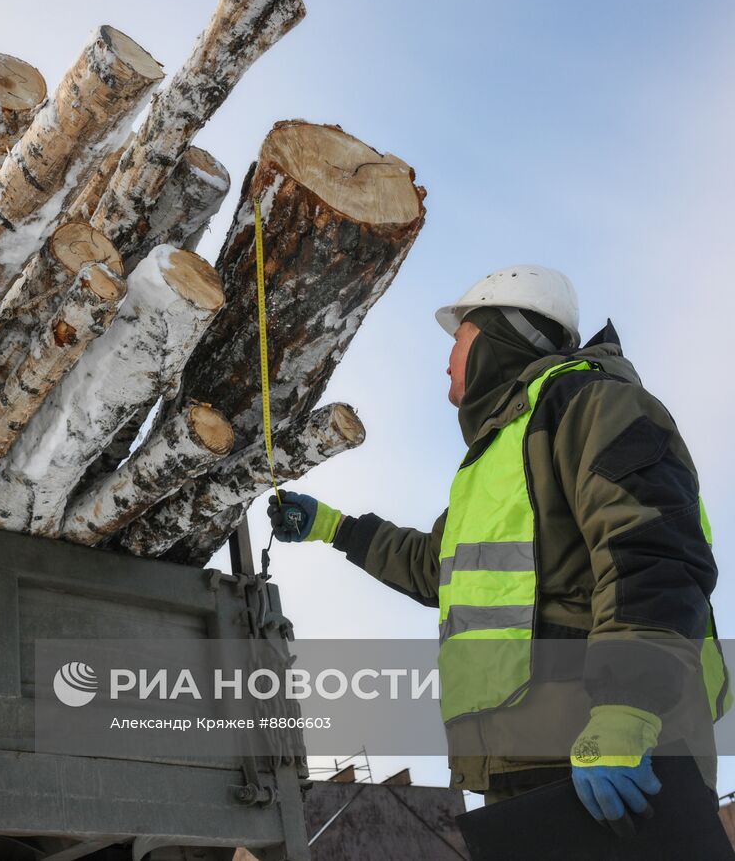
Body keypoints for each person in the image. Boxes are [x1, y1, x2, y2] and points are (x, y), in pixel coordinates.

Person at [268, 264, 729, 827]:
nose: (447, 356)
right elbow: (434, 569)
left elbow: (652, 553)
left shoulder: (595, 404)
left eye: (459, 338)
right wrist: (333, 526)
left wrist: (625, 709)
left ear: (498, 339)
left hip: (616, 747)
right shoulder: (497, 455)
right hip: (524, 759)